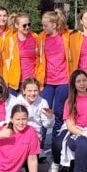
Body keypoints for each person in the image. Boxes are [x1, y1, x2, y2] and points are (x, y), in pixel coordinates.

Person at [36, 10, 71, 139]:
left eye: (45, 25)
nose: (43, 27)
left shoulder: (66, 37)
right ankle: (40, 141)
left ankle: (57, 141)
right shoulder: (41, 38)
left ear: (54, 25)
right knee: (44, 110)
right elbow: (37, 57)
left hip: (63, 79)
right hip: (46, 80)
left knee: (58, 111)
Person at [3, 13, 39, 94]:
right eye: (24, 25)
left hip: (32, 81)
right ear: (16, 25)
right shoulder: (10, 40)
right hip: (14, 82)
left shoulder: (35, 37)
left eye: (29, 24)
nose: (27, 27)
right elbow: (5, 62)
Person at [15, 78, 54, 142]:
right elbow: (14, 122)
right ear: (24, 91)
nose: (33, 93)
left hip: (36, 134)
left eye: (35, 90)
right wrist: (29, 134)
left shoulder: (43, 102)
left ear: (39, 90)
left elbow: (47, 125)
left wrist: (49, 117)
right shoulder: (18, 101)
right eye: (29, 91)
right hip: (21, 132)